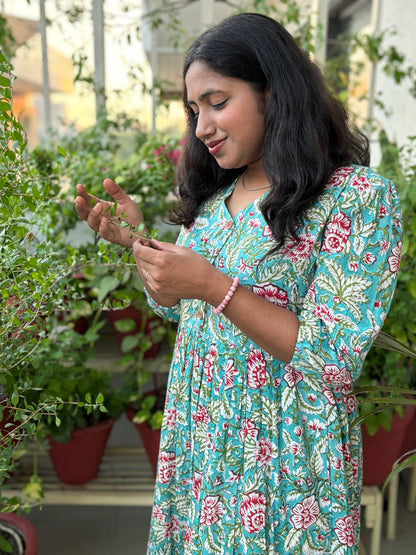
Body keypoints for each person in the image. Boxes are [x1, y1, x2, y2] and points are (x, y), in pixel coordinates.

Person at [75, 12, 402, 555]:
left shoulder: (355, 199)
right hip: (203, 454)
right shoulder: (213, 202)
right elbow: (184, 313)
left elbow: (333, 356)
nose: (201, 126)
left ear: (274, 92)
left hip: (285, 469)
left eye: (218, 102)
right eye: (194, 109)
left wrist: (214, 286)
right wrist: (141, 247)